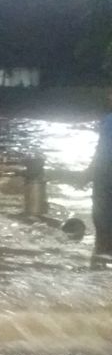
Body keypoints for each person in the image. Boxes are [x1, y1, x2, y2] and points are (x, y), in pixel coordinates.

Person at [81, 90, 112, 268]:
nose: (108, 97)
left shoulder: (107, 120)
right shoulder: (107, 120)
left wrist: (89, 173)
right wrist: (88, 172)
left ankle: (99, 267)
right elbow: (101, 148)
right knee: (101, 220)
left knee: (102, 221)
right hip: (103, 173)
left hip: (105, 174)